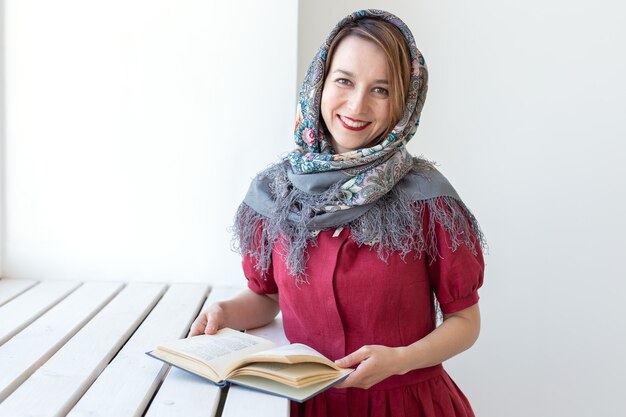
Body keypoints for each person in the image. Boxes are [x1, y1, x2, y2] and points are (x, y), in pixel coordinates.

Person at [190, 9, 486, 417]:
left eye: (381, 90)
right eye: (344, 80)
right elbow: (267, 297)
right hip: (302, 404)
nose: (357, 104)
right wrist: (225, 311)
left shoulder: (429, 200)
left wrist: (400, 360)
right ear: (319, 82)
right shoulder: (275, 194)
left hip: (404, 405)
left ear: (404, 101)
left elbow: (465, 322)